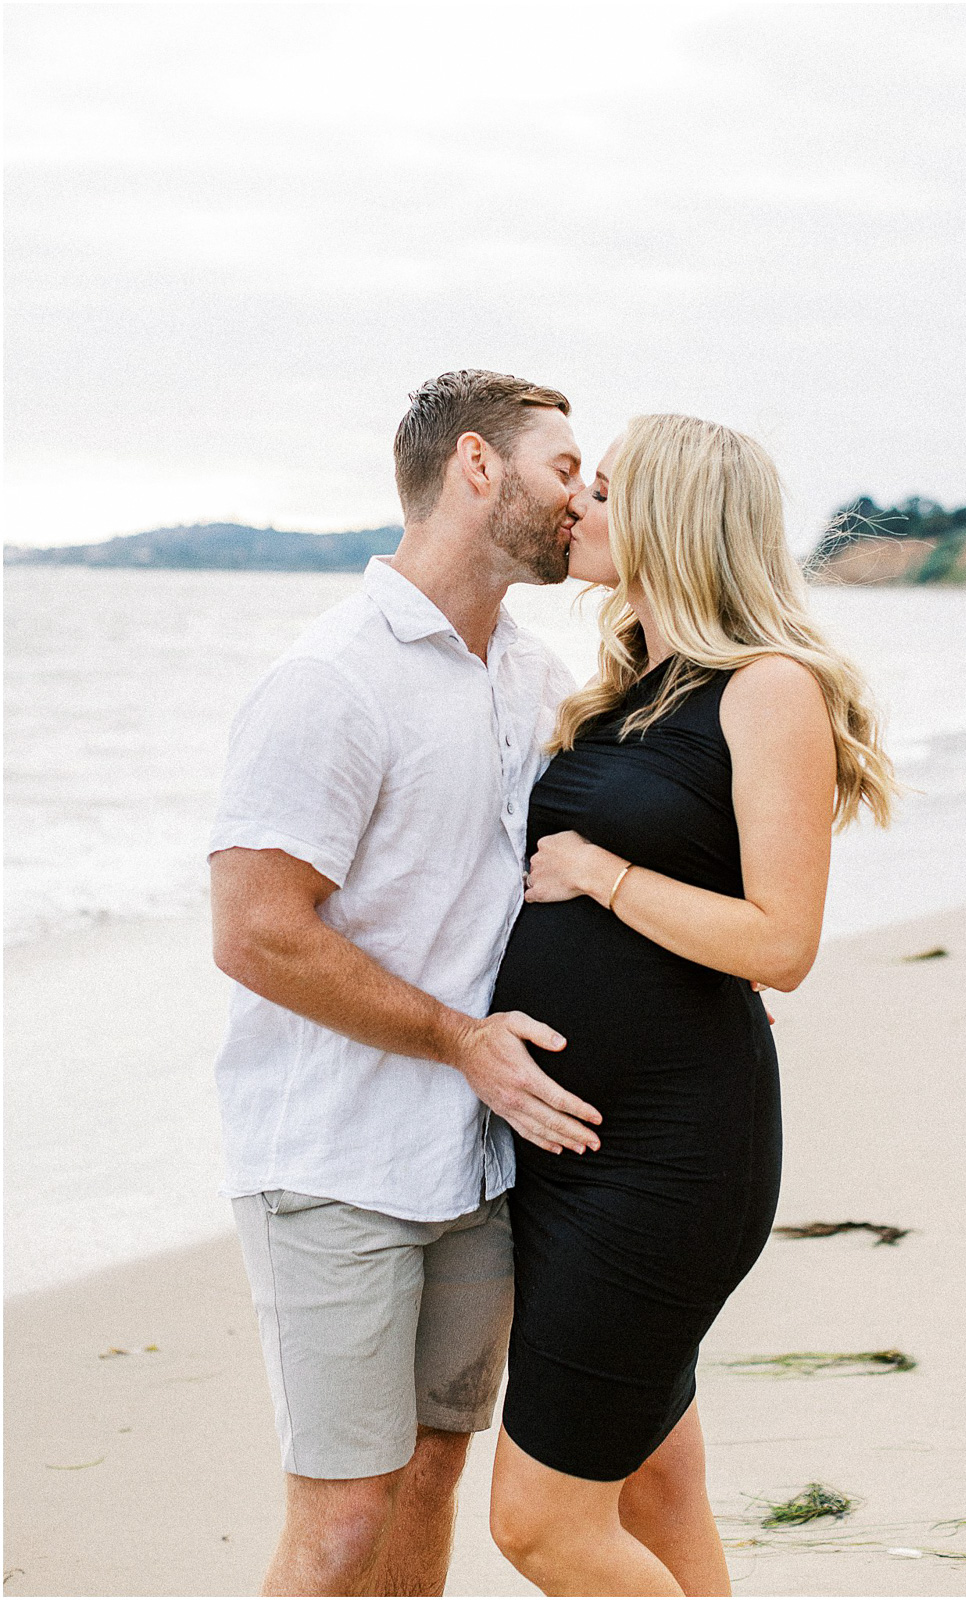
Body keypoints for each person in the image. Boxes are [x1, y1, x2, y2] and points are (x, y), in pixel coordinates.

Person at [208, 369, 604, 1598]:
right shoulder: (330, 677)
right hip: (333, 1158)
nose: (583, 496)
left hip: (475, 1165)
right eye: (563, 471)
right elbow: (255, 931)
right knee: (339, 1522)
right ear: (476, 467)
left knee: (431, 1478)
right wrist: (457, 1039)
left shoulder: (533, 680)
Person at [488, 414, 898, 1597]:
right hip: (573, 1151)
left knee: (541, 1524)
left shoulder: (768, 688)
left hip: (667, 1161)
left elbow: (782, 943)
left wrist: (599, 876)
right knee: (658, 1494)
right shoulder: (626, 690)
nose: (579, 508)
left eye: (606, 491)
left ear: (672, 517)